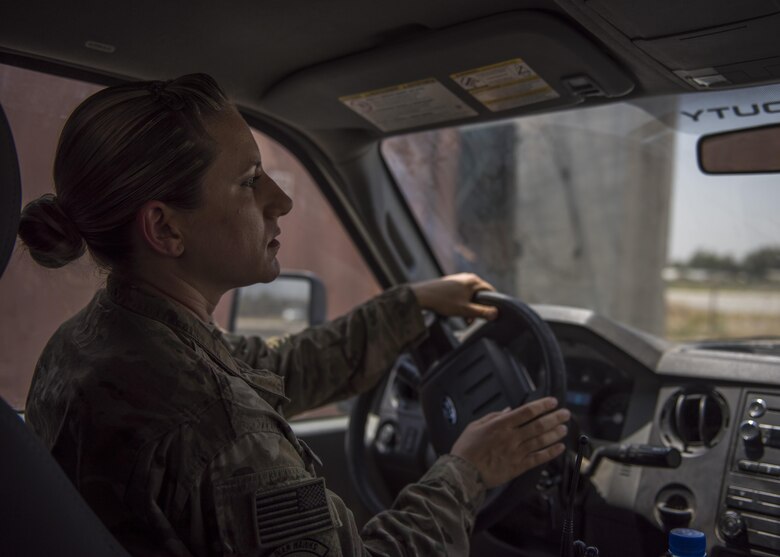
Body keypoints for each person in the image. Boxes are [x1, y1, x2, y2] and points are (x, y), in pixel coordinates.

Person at [19, 74, 570, 556]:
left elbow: (266, 367)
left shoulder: (91, 342)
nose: (280, 200)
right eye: (249, 181)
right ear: (165, 229)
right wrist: (468, 473)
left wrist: (411, 305)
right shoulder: (224, 431)